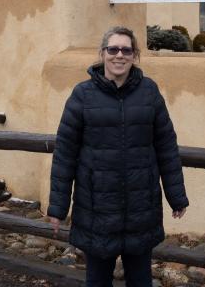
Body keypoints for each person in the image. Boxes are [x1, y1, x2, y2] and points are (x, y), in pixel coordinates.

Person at [47, 26, 189, 287]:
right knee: (98, 281)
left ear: (135, 55)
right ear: (102, 54)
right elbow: (65, 155)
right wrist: (58, 208)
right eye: (113, 49)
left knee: (141, 280)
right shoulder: (82, 95)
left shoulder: (149, 92)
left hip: (140, 208)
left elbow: (166, 147)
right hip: (97, 210)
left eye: (126, 50)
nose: (119, 55)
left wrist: (176, 196)